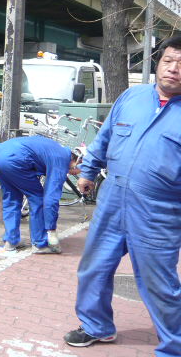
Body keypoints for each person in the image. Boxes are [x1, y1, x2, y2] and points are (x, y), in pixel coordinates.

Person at [64, 36, 181, 355]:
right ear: (158, 63)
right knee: (94, 267)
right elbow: (105, 137)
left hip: (160, 211)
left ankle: (175, 345)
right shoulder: (132, 97)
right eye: (168, 60)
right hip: (113, 199)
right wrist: (88, 170)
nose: (173, 69)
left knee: (160, 284)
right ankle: (96, 325)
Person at [0, 135, 81, 254]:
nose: (75, 173)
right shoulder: (62, 159)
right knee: (38, 198)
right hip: (13, 159)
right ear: (77, 161)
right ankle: (39, 244)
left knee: (12, 197)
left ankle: (10, 242)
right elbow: (51, 198)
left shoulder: (57, 148)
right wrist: (51, 229)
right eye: (80, 169)